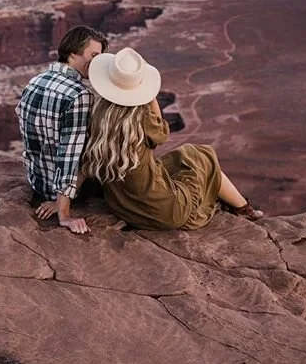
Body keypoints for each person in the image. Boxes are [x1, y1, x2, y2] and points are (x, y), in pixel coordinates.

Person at [82, 47, 263, 230]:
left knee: (185, 155)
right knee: (205, 157)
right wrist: (149, 94)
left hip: (123, 206)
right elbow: (161, 132)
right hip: (165, 211)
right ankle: (243, 208)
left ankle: (240, 206)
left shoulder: (98, 114)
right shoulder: (140, 118)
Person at [16, 25, 108, 233]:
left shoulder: (35, 81)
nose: (97, 63)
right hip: (63, 190)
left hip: (37, 182)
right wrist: (63, 213)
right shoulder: (80, 95)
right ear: (73, 52)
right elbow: (69, 155)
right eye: (94, 55)